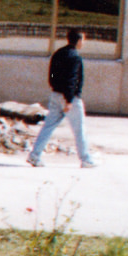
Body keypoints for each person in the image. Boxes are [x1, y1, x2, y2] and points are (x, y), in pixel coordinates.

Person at [27, 27, 99, 169]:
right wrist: (69, 100)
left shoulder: (58, 53)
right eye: (83, 40)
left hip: (55, 94)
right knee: (79, 129)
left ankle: (34, 155)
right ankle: (86, 159)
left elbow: (52, 76)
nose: (84, 42)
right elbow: (72, 80)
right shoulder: (75, 57)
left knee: (48, 126)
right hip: (70, 99)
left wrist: (56, 90)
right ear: (78, 40)